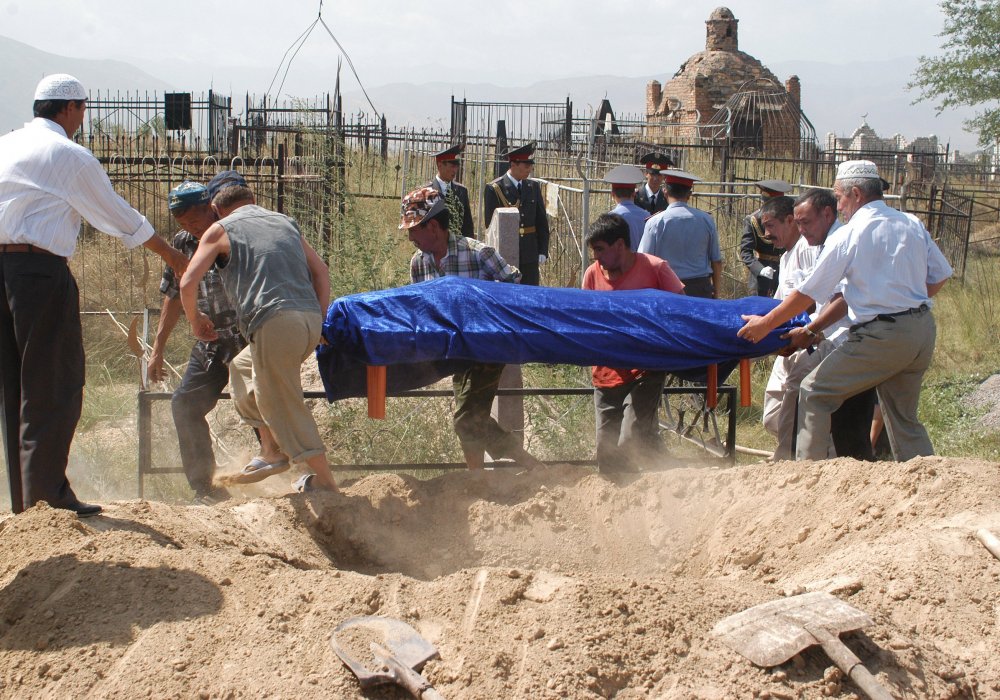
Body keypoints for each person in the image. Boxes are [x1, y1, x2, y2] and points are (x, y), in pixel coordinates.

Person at [0, 73, 189, 517]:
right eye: (83, 109)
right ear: (71, 109)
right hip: (37, 274)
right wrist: (172, 257)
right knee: (54, 383)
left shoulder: (6, 144)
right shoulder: (66, 154)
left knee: (15, 386)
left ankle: (26, 504)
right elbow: (117, 215)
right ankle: (46, 500)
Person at [738, 160, 953, 462]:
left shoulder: (851, 233)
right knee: (904, 419)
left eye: (839, 198)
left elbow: (807, 293)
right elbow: (939, 276)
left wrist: (764, 325)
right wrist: (906, 301)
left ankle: (807, 479)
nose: (838, 206)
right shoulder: (911, 223)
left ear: (855, 193)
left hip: (881, 335)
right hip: (921, 330)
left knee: (813, 393)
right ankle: (931, 488)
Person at [179, 174, 339, 493]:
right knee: (241, 367)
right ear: (252, 202)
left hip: (274, 321)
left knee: (284, 402)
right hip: (307, 320)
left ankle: (326, 485)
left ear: (215, 208)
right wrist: (320, 319)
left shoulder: (220, 229)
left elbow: (187, 282)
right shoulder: (284, 222)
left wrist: (196, 320)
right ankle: (271, 451)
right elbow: (320, 270)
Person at [403, 185, 543, 470]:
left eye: (413, 229)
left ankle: (520, 466)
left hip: (488, 349)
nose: (410, 237)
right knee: (472, 416)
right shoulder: (419, 264)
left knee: (465, 418)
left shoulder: (478, 254)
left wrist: (485, 307)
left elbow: (514, 285)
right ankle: (487, 473)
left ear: (432, 226)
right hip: (454, 352)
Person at [147, 181, 249, 504]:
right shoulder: (182, 243)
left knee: (261, 405)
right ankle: (205, 489)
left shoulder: (233, 234)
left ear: (211, 209)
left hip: (247, 337)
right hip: (211, 341)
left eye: (194, 221)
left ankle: (289, 473)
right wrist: (158, 349)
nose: (190, 229)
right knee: (185, 404)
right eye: (183, 224)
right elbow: (173, 296)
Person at [582, 213, 684, 472]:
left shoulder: (656, 268)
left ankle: (654, 487)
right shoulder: (592, 275)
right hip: (606, 372)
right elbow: (582, 318)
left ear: (620, 245)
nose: (596, 257)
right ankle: (668, 472)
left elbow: (684, 310)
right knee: (607, 454)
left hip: (647, 369)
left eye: (600, 250)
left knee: (630, 437)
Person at [637, 169, 723, 299]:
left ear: (665, 192)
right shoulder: (706, 220)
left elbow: (645, 260)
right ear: (689, 194)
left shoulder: (655, 222)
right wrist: (716, 290)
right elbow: (716, 261)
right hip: (700, 288)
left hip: (666, 288)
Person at [482, 142, 550, 286]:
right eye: (526, 166)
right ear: (513, 164)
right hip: (506, 253)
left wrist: (543, 250)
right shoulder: (495, 189)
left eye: (531, 166)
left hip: (530, 253)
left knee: (530, 295)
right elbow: (490, 226)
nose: (529, 170)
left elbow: (541, 222)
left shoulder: (533, 187)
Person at [739, 179, 792, 297]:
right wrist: (760, 269)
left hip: (786, 270)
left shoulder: (789, 218)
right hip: (761, 275)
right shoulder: (753, 219)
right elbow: (746, 251)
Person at [427, 144, 474, 238]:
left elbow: (467, 225)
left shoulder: (462, 191)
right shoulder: (426, 191)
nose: (455, 170)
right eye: (452, 166)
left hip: (457, 245)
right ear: (440, 165)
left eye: (456, 167)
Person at [604, 164, 649, 251]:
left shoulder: (610, 218)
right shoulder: (647, 216)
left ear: (612, 194)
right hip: (642, 262)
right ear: (634, 194)